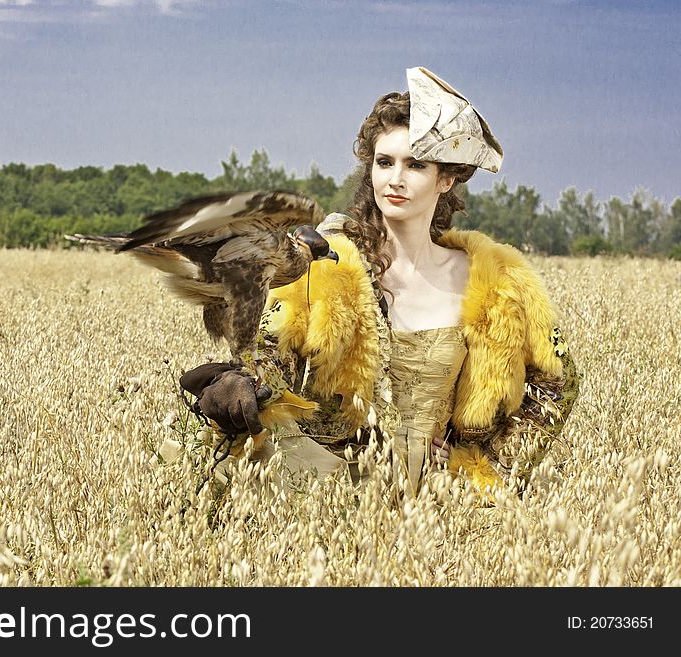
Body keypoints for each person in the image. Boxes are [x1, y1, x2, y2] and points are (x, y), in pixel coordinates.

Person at [177, 67, 579, 497]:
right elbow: (277, 350)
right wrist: (247, 384)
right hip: (325, 483)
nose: (396, 179)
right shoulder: (329, 266)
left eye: (416, 165)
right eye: (385, 162)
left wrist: (482, 459)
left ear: (446, 179)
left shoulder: (495, 281)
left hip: (434, 502)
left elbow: (558, 383)